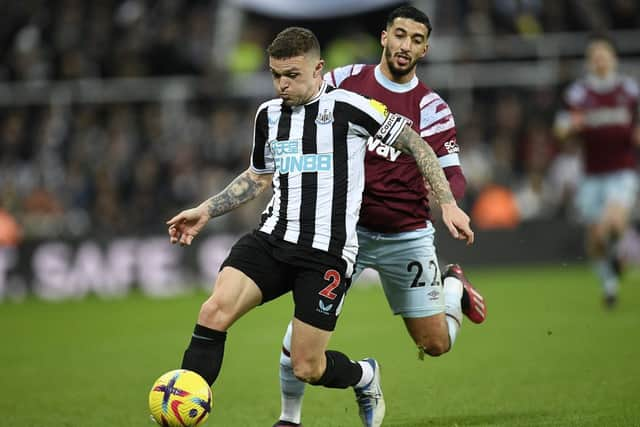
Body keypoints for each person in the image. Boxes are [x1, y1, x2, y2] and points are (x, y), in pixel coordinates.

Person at [167, 26, 474, 427]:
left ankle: (365, 375)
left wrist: (447, 203)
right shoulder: (268, 115)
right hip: (272, 238)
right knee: (213, 311)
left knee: (307, 366)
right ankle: (185, 411)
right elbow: (258, 176)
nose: (282, 85)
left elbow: (416, 144)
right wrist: (207, 209)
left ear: (318, 71)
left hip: (326, 253)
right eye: (276, 74)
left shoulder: (351, 107)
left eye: (292, 75)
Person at [273, 7, 487, 427]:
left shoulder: (432, 108)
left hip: (405, 235)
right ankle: (289, 418)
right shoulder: (341, 81)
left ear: (425, 48)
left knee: (436, 345)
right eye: (400, 35)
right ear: (384, 36)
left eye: (416, 39)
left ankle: (452, 289)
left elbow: (452, 171)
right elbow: (302, 116)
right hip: (341, 234)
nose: (406, 45)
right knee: (298, 339)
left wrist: (449, 202)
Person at [554, 34, 640, 309]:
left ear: (613, 58)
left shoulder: (629, 91)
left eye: (604, 55)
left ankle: (617, 253)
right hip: (591, 174)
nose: (600, 60)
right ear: (589, 62)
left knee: (613, 224)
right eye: (595, 56)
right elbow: (560, 130)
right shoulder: (578, 94)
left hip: (622, 170)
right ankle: (610, 285)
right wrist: (570, 127)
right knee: (595, 239)